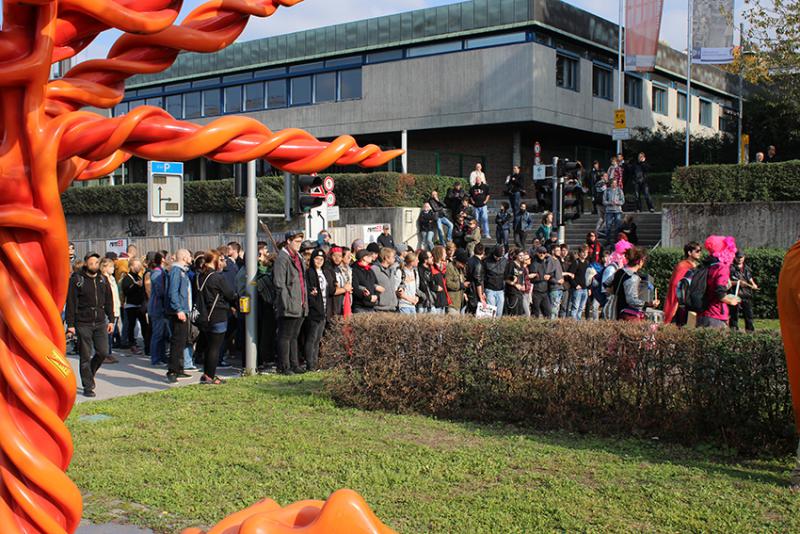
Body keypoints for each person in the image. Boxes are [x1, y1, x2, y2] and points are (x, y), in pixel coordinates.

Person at [65, 253, 115, 397]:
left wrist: (111, 319)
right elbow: (71, 303)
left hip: (100, 322)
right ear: (86, 264)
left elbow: (109, 301)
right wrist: (71, 324)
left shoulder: (102, 279)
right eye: (91, 263)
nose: (94, 265)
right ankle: (88, 386)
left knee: (102, 352)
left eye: (96, 262)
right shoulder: (77, 280)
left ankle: (90, 373)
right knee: (85, 355)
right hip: (83, 323)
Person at [195, 250, 238, 384]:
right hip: (217, 314)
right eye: (220, 260)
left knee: (209, 346)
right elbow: (230, 294)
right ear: (214, 261)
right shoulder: (217, 277)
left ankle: (207, 374)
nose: (222, 263)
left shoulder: (199, 276)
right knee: (215, 347)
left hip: (203, 315)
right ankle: (210, 376)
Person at [274, 231, 309, 374]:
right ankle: (284, 366)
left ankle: (294, 364)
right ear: (288, 241)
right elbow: (279, 284)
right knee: (285, 336)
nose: (299, 245)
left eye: (300, 241)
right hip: (289, 304)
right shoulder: (283, 258)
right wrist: (286, 303)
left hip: (300, 303)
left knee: (294, 336)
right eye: (296, 241)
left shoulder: (298, 257)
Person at [697, 236, 741, 329]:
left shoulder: (708, 265)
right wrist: (731, 300)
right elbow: (719, 291)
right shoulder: (722, 267)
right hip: (715, 315)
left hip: (703, 313)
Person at [303, 249, 336, 371]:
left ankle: (315, 362)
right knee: (311, 338)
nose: (319, 261)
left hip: (324, 309)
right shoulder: (309, 272)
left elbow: (329, 290)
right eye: (316, 259)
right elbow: (310, 291)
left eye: (321, 259)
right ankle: (310, 364)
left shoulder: (324, 272)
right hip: (314, 310)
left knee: (318, 339)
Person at [609, 247, 660, 321]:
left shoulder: (619, 272)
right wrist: (649, 303)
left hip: (615, 311)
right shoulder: (633, 277)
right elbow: (631, 300)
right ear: (640, 261)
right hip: (629, 316)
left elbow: (607, 285)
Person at [166, 249, 193, 383]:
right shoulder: (176, 271)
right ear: (183, 257)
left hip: (184, 310)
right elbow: (173, 292)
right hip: (179, 311)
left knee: (182, 341)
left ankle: (179, 369)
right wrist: (178, 309)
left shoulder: (183, 271)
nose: (191, 258)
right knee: (177, 342)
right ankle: (172, 371)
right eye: (188, 256)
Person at [663, 241, 702, 325]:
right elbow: (675, 284)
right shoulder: (682, 266)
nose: (700, 253)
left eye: (700, 251)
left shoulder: (696, 266)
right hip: (681, 303)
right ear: (689, 252)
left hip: (692, 301)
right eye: (697, 251)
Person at [120, 258, 147, 355]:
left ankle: (146, 343)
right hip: (131, 305)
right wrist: (136, 285)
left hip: (140, 305)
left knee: (144, 325)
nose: (139, 267)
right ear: (131, 266)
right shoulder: (127, 278)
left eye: (140, 265)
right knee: (131, 325)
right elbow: (126, 291)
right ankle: (132, 344)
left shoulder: (139, 277)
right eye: (136, 265)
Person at [147, 253, 169, 366]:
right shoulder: (157, 272)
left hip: (160, 307)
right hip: (157, 307)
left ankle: (162, 357)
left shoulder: (161, 271)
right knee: (157, 334)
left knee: (162, 334)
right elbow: (160, 290)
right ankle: (156, 358)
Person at [729, 252, 758, 332]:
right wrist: (737, 283)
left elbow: (749, 277)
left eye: (741, 257)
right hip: (735, 293)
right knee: (734, 314)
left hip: (746, 293)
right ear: (735, 257)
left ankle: (750, 331)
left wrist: (753, 284)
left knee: (748, 314)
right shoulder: (731, 268)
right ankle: (734, 331)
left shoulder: (746, 267)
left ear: (744, 257)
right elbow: (727, 281)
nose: (740, 259)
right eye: (738, 257)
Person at [99, 258, 121, 363]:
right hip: (108, 309)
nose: (113, 268)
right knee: (106, 334)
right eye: (110, 266)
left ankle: (109, 353)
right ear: (104, 267)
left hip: (115, 308)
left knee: (110, 333)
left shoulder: (111, 278)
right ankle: (104, 355)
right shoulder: (102, 279)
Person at [351, 249, 379, 313]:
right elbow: (355, 288)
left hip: (371, 306)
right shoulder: (355, 270)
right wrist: (368, 297)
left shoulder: (370, 270)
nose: (371, 257)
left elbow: (376, 284)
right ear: (363, 258)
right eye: (368, 256)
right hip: (360, 306)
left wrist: (376, 296)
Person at [568, 245, 591, 320]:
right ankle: (574, 323)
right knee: (575, 307)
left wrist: (589, 288)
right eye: (583, 252)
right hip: (578, 289)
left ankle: (579, 323)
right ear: (579, 253)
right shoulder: (576, 263)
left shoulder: (587, 263)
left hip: (585, 289)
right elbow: (570, 276)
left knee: (581, 308)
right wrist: (575, 285)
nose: (585, 254)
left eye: (586, 252)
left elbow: (589, 277)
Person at [484, 245, 508, 317]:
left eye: (499, 257)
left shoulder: (504, 261)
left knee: (499, 313)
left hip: (500, 289)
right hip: (490, 289)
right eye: (496, 257)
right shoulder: (486, 261)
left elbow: (506, 274)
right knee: (491, 313)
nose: (497, 258)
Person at [373, 247, 398, 312]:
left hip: (392, 307)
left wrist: (401, 287)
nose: (394, 258)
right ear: (386, 258)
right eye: (393, 257)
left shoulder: (392, 270)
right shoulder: (374, 269)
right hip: (380, 308)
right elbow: (366, 283)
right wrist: (375, 287)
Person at [530, 247, 553, 318]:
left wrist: (549, 276)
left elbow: (550, 273)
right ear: (537, 253)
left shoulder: (546, 263)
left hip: (545, 292)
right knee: (535, 314)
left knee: (548, 313)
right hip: (536, 292)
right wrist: (543, 277)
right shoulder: (534, 264)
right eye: (540, 253)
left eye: (544, 253)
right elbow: (532, 279)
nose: (542, 254)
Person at [503, 250, 527, 316]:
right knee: (513, 313)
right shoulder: (511, 264)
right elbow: (505, 278)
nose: (522, 257)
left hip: (520, 292)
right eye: (520, 255)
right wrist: (515, 284)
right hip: (512, 292)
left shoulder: (522, 265)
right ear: (516, 256)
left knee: (520, 313)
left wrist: (523, 285)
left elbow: (522, 277)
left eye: (523, 255)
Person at [446, 249, 469, 314]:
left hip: (459, 303)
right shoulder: (449, 267)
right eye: (462, 263)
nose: (463, 265)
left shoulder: (460, 269)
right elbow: (448, 284)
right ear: (457, 261)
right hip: (452, 304)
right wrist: (462, 285)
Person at [465, 243, 486, 313]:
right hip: (475, 293)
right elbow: (478, 281)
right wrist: (481, 296)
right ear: (483, 252)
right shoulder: (478, 264)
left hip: (469, 288)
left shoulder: (469, 260)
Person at [603, 177, 625, 245]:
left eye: (615, 183)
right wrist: (610, 203)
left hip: (617, 211)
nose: (614, 184)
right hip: (609, 211)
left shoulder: (619, 190)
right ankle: (607, 240)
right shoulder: (607, 190)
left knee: (617, 226)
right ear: (610, 184)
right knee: (608, 226)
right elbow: (604, 201)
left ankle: (617, 240)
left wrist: (617, 202)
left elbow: (623, 201)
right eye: (613, 183)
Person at [429, 246, 450, 314]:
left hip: (443, 300)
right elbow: (428, 283)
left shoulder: (443, 267)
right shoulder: (431, 268)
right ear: (439, 254)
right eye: (444, 253)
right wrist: (435, 287)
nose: (446, 254)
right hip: (436, 301)